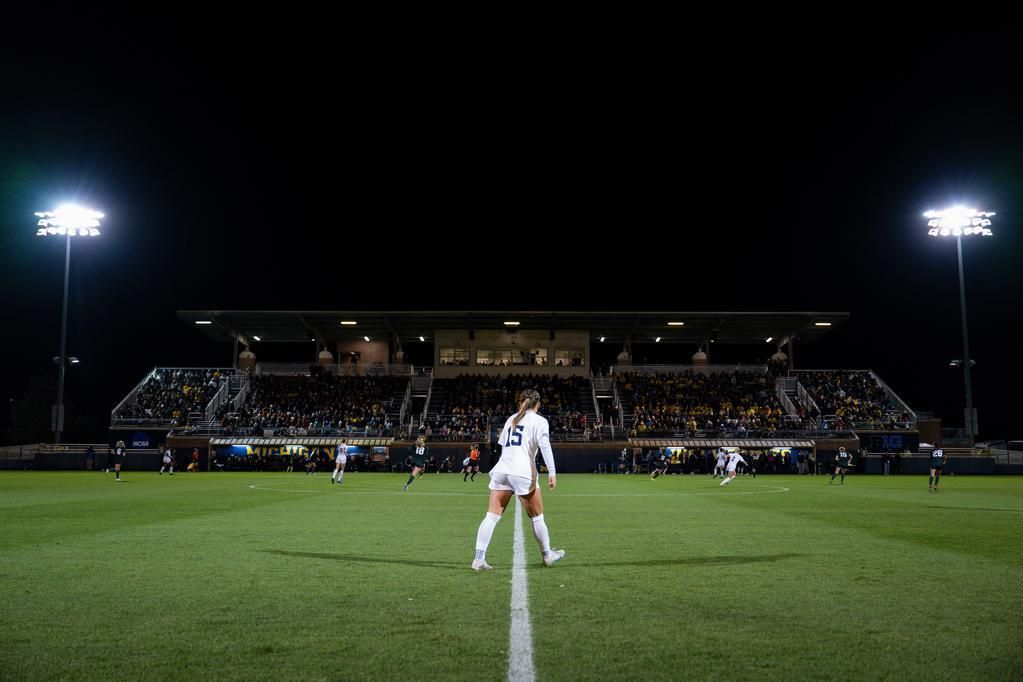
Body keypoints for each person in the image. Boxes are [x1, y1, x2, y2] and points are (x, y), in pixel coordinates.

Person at [471, 389, 564, 571]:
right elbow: (545, 446)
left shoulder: (511, 419)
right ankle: (547, 555)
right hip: (522, 472)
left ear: (521, 402)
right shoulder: (540, 421)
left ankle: (478, 559)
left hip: (503, 469)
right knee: (537, 517)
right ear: (538, 404)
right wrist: (552, 472)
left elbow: (502, 446)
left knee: (491, 516)